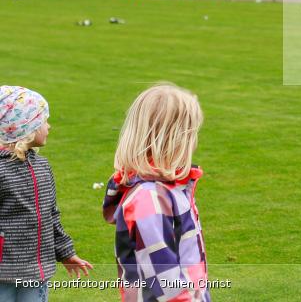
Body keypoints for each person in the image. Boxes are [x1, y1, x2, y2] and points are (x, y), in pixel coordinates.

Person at [102, 84, 208, 302]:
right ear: (175, 139)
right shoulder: (149, 199)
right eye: (191, 134)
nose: (195, 142)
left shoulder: (170, 189)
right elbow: (165, 284)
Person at [0, 86, 93, 300]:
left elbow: (51, 215)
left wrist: (66, 252)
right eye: (43, 121)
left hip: (36, 271)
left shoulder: (42, 166)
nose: (49, 126)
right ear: (26, 126)